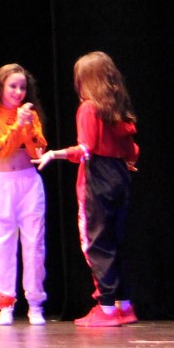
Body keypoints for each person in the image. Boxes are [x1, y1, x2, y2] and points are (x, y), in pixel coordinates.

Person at [34, 50, 139, 328]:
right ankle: (123, 305)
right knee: (115, 241)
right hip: (120, 175)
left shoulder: (89, 108)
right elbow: (132, 150)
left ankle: (106, 308)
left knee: (96, 242)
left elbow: (85, 150)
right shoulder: (117, 110)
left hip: (98, 178)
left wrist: (54, 154)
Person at [0, 64, 48, 325]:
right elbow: (0, 149)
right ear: (0, 87)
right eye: (13, 86)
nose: (18, 92)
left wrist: (28, 127)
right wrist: (18, 125)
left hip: (29, 183)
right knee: (0, 244)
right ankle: (5, 304)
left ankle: (35, 304)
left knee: (34, 244)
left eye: (22, 87)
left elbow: (38, 152)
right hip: (3, 184)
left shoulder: (30, 115)